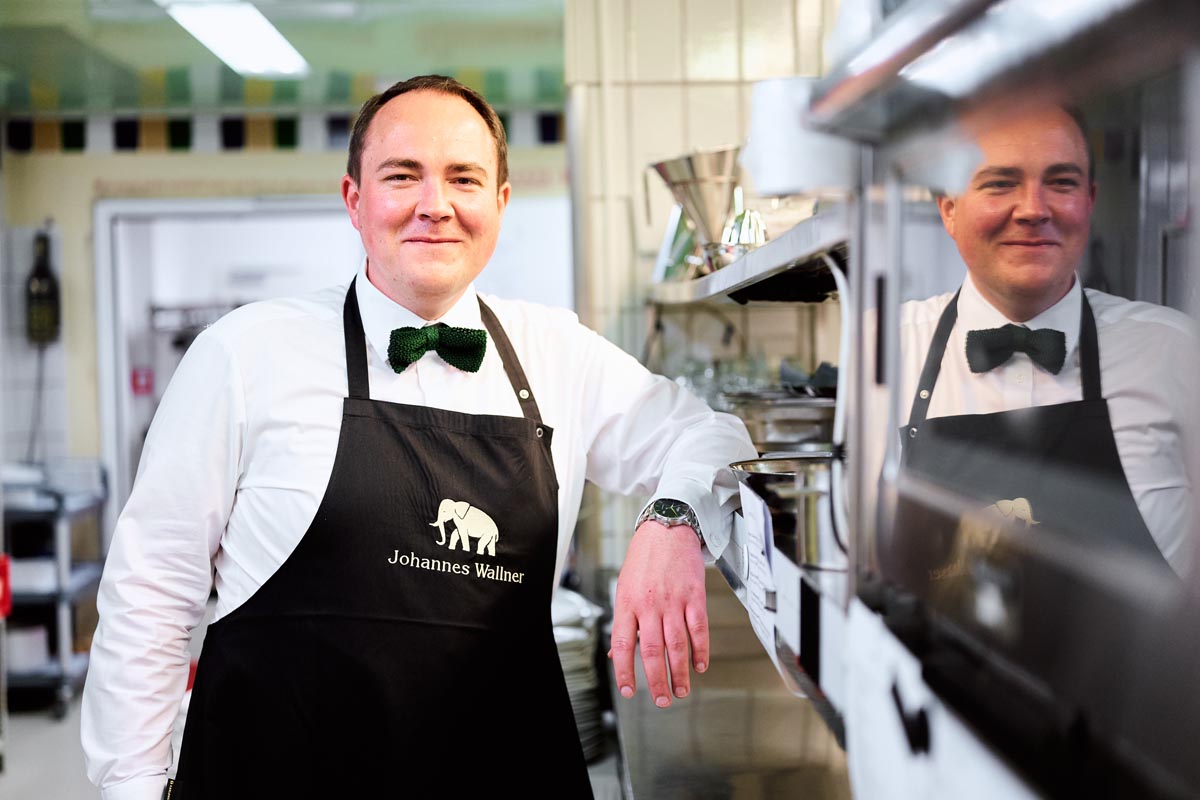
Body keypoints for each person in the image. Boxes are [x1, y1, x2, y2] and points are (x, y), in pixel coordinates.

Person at [81, 74, 756, 799]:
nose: (435, 205)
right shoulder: (243, 355)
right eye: (403, 176)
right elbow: (148, 593)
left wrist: (670, 520)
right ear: (354, 200)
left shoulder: (557, 352)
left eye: (464, 178)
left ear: (499, 203)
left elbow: (712, 437)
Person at [882, 104, 1195, 585]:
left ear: (1089, 201)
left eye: (1062, 182)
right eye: (999, 182)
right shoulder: (884, 350)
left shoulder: (1175, 351)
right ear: (949, 208)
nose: (1033, 209)